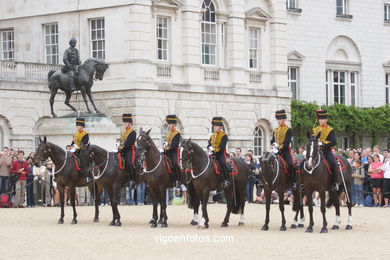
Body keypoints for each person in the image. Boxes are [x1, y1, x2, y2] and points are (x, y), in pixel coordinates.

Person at [312, 109, 338, 191]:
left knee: (333, 163)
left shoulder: (330, 129)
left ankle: (335, 182)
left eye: (323, 119)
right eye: (320, 119)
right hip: (315, 151)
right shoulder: (315, 129)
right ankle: (303, 182)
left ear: (326, 119)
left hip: (326, 151)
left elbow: (334, 141)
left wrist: (324, 143)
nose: (321, 120)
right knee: (305, 162)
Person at [270, 109, 295, 188]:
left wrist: (278, 147)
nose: (278, 121)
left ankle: (293, 181)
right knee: (266, 162)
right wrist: (273, 144)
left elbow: (287, 142)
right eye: (278, 119)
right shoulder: (276, 130)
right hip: (275, 151)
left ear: (284, 119)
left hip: (284, 151)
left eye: (280, 119)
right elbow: (272, 140)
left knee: (291, 164)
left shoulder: (288, 129)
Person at [207, 117, 229, 188]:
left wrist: (213, 151)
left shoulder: (224, 136)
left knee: (223, 163)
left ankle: (226, 180)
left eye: (216, 126)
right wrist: (209, 149)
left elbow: (222, 147)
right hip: (211, 154)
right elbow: (209, 144)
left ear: (220, 127)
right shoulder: (212, 136)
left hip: (220, 154)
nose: (214, 127)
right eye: (214, 126)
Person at [117, 113, 137, 187]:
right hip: (122, 150)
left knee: (129, 163)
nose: (124, 124)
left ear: (129, 123)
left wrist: (121, 147)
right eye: (124, 122)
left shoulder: (133, 132)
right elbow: (121, 140)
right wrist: (118, 145)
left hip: (129, 150)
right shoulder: (123, 132)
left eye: (126, 122)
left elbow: (129, 143)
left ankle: (132, 180)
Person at [162, 115, 181, 187]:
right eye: (168, 124)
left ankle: (177, 180)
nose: (169, 125)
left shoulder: (177, 134)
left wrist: (167, 149)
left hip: (173, 152)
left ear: (173, 124)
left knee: (175, 163)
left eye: (170, 124)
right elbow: (165, 142)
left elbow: (174, 145)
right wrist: (163, 147)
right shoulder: (168, 133)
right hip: (166, 152)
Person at [69, 118, 90, 182]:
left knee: (83, 159)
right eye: (77, 125)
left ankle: (86, 174)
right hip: (74, 149)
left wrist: (77, 147)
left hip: (82, 150)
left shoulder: (85, 134)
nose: (77, 126)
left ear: (82, 126)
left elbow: (84, 144)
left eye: (78, 125)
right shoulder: (75, 133)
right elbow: (73, 142)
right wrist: (70, 147)